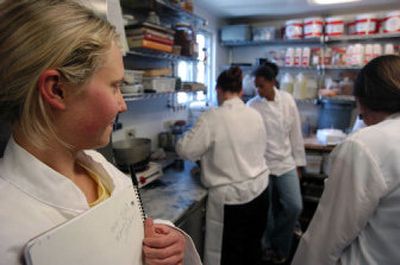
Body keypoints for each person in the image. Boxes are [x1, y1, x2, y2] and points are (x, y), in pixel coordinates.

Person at [0, 1, 201, 265]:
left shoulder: (97, 166)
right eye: (115, 86)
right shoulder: (7, 226)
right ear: (57, 89)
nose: (123, 104)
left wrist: (168, 240)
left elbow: (134, 228)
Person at [291, 55, 400, 265]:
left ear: (365, 102)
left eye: (361, 116)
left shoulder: (365, 145)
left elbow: (327, 235)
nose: (363, 120)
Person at [176, 66, 270, 265]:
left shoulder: (213, 117)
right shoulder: (254, 114)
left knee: (229, 256)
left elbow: (185, 150)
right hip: (261, 192)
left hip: (233, 201)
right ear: (240, 92)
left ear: (218, 90)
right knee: (252, 249)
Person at [247, 63, 306, 264]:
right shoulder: (252, 106)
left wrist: (298, 164)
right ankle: (267, 249)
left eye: (261, 85)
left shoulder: (288, 101)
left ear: (273, 83)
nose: (258, 90)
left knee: (294, 206)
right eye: (256, 86)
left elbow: (295, 134)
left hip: (286, 162)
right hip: (262, 165)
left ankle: (280, 243)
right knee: (266, 212)